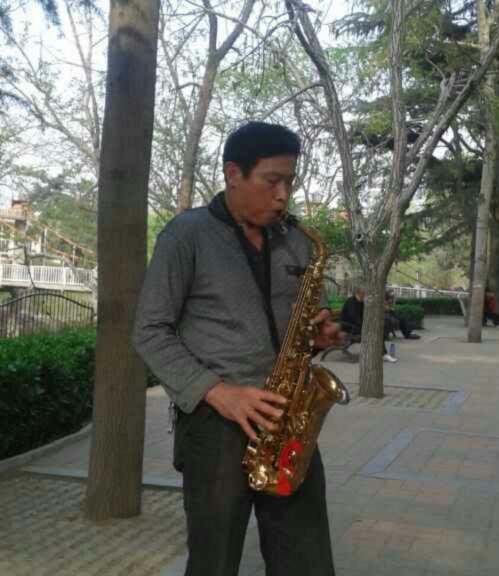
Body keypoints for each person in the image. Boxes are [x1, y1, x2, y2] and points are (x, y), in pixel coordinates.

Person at [133, 121, 343, 576]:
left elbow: (309, 312)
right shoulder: (185, 235)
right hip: (215, 426)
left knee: (308, 562)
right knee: (214, 562)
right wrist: (218, 391)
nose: (283, 195)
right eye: (272, 181)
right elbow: (149, 330)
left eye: (290, 181)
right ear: (233, 174)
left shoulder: (296, 240)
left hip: (288, 418)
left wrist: (320, 333)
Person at [340, 288, 398, 363]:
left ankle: (383, 353)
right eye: (364, 292)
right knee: (376, 333)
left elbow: (365, 315)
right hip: (350, 328)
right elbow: (354, 318)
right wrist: (366, 326)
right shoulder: (350, 302)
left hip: (358, 326)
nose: (365, 294)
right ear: (359, 292)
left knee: (379, 331)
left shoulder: (361, 301)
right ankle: (383, 354)